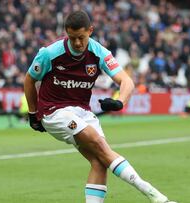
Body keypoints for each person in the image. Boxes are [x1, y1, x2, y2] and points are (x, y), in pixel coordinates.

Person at [24, 10, 176, 203]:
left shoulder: (99, 52)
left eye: (81, 37)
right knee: (99, 144)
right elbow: (29, 80)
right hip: (55, 111)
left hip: (82, 112)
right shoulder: (50, 53)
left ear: (90, 31)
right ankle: (155, 196)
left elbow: (126, 81)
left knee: (99, 161)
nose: (77, 43)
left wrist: (120, 101)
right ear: (66, 34)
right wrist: (32, 112)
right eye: (72, 38)